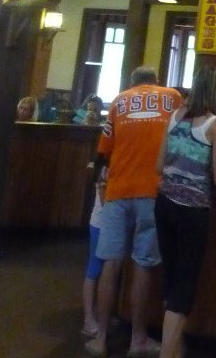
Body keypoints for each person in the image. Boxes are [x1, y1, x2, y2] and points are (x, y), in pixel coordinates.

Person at [86, 66, 182, 358]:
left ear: (132, 83)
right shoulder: (172, 97)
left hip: (117, 191)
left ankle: (100, 339)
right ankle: (138, 339)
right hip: (152, 191)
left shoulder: (118, 102)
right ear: (156, 81)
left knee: (110, 263)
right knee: (143, 263)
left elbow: (103, 152)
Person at [154, 66, 216, 358]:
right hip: (193, 212)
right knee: (184, 289)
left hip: (164, 205)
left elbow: (158, 165)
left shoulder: (175, 116)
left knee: (172, 278)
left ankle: (175, 350)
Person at [82, 177, 106, 338]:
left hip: (103, 222)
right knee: (94, 269)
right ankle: (88, 319)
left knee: (103, 270)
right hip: (100, 223)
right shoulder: (104, 168)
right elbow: (103, 197)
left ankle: (98, 313)